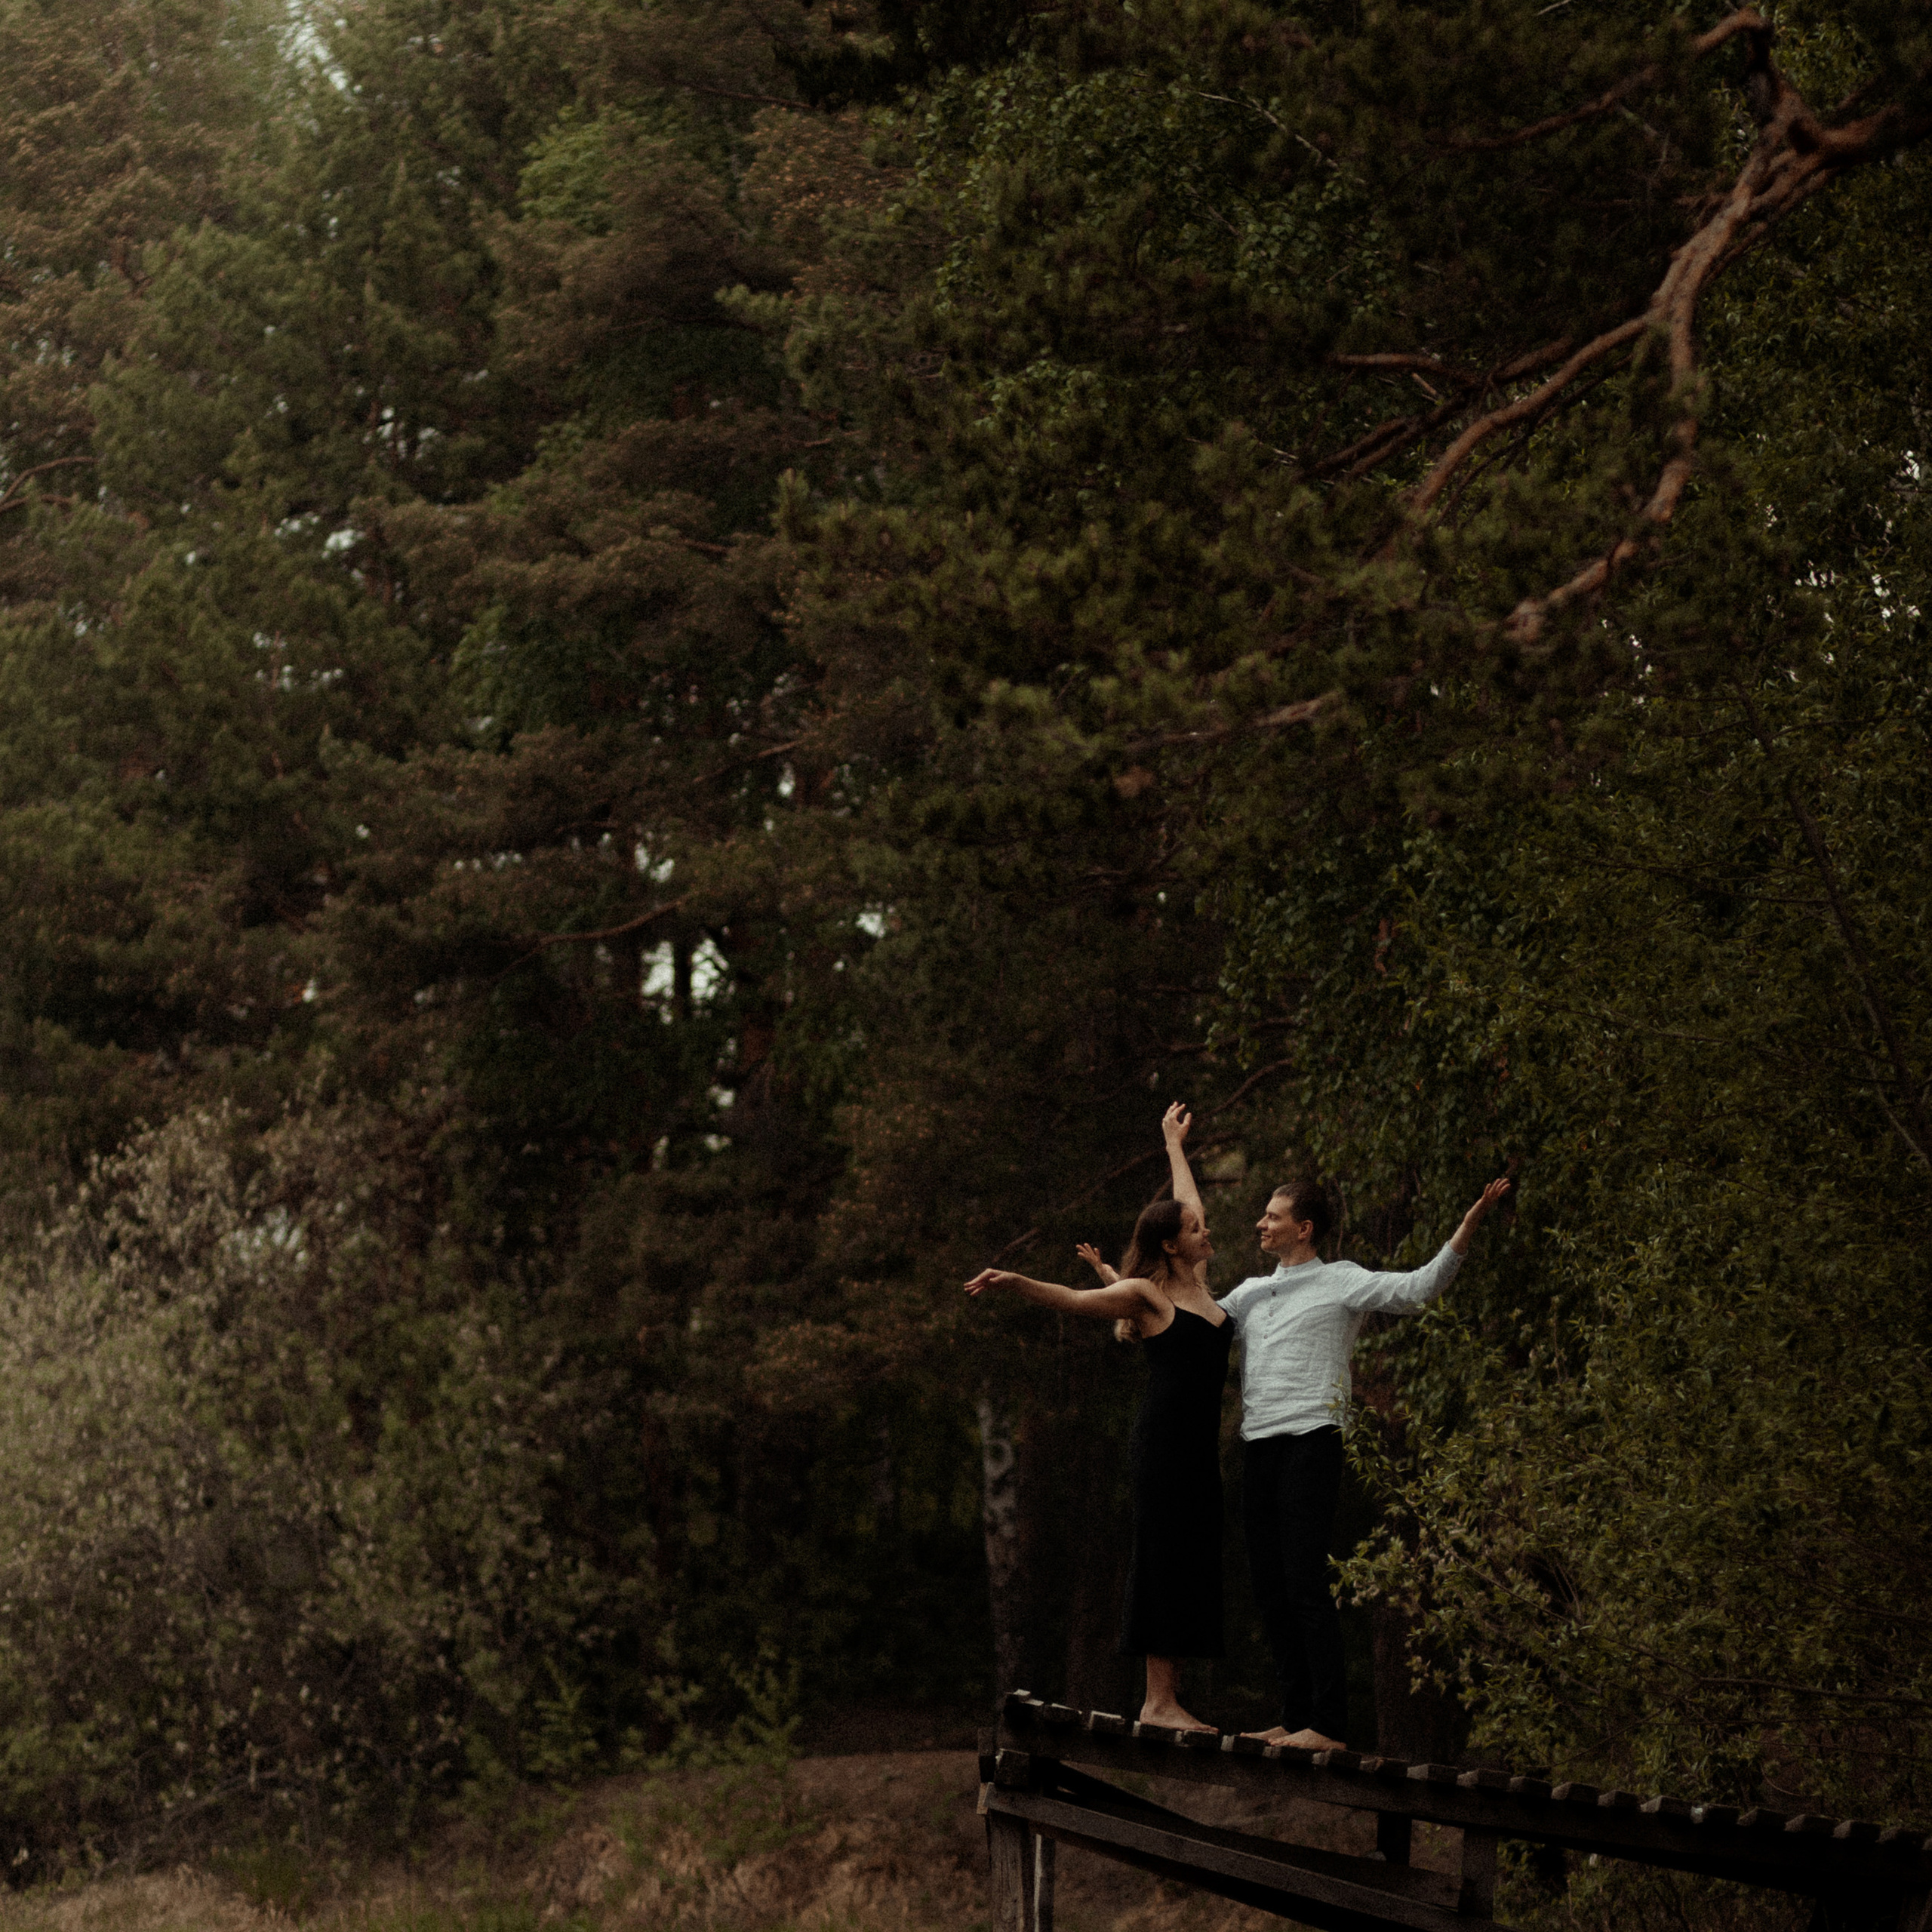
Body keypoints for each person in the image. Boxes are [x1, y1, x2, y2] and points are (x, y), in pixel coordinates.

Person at [1221, 1172, 1512, 1749]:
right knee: (1270, 1584)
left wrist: (1469, 1223)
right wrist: (1124, 1292)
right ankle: (1294, 1713)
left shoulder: (1340, 1281)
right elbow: (1194, 1325)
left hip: (1314, 1439)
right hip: (1260, 1445)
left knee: (1304, 1578)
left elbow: (1418, 1289)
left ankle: (1327, 1725)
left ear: (1303, 1229)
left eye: (1273, 1216)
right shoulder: (1249, 1292)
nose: (1261, 1223)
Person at [965, 1103, 1230, 1733]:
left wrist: (1173, 1144)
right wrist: (1017, 1282)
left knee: (1193, 1558)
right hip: (1163, 1446)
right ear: (1172, 1243)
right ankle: (1158, 1702)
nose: (1207, 1233)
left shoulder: (1201, 1283)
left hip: (1196, 1450)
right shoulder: (1148, 1296)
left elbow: (1187, 1198)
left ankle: (1172, 1698)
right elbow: (1078, 1300)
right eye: (1197, 1230)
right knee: (1163, 1557)